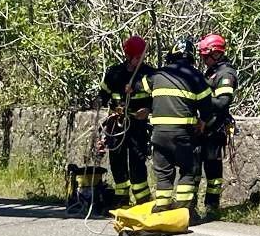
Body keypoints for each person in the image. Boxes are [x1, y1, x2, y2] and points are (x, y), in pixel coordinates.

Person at [142, 38, 214, 214]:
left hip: (158, 134)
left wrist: (131, 88)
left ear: (171, 55)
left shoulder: (158, 75)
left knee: (163, 173)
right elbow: (207, 106)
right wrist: (203, 122)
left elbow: (140, 86)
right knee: (188, 171)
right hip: (183, 134)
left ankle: (162, 208)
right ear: (191, 58)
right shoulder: (196, 76)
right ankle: (182, 211)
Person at [97, 35, 152, 208]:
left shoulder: (149, 74)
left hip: (137, 126)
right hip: (117, 125)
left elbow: (157, 98)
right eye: (137, 57)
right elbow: (103, 96)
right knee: (117, 162)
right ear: (128, 56)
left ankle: (142, 201)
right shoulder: (114, 73)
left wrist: (148, 110)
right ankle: (121, 200)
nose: (140, 60)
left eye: (142, 56)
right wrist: (100, 102)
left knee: (137, 162)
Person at [196, 33, 238, 217]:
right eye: (202, 55)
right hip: (202, 127)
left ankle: (212, 206)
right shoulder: (211, 71)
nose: (204, 59)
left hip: (214, 129)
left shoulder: (226, 74)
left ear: (217, 54)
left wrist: (199, 98)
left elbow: (222, 103)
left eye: (206, 55)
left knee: (212, 170)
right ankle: (190, 205)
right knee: (195, 168)